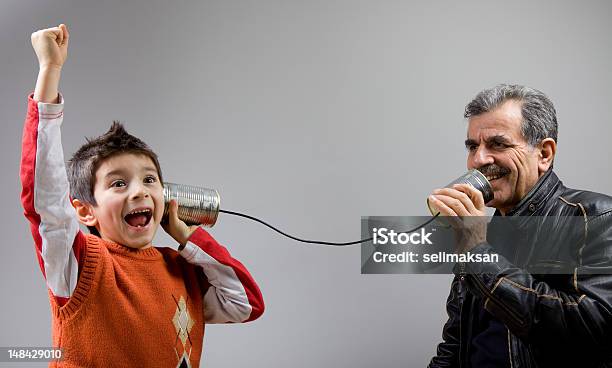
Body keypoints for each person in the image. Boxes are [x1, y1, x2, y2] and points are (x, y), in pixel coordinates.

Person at [20, 24, 264, 367]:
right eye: (118, 184)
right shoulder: (78, 264)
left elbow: (246, 303)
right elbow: (44, 200)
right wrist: (50, 72)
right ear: (85, 211)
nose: (139, 191)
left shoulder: (182, 270)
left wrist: (190, 239)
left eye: (150, 180)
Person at [427, 84, 612, 367]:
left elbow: (592, 330)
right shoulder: (478, 233)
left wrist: (478, 253)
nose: (478, 160)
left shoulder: (596, 217)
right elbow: (455, 344)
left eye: (498, 144)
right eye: (472, 146)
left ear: (544, 154)